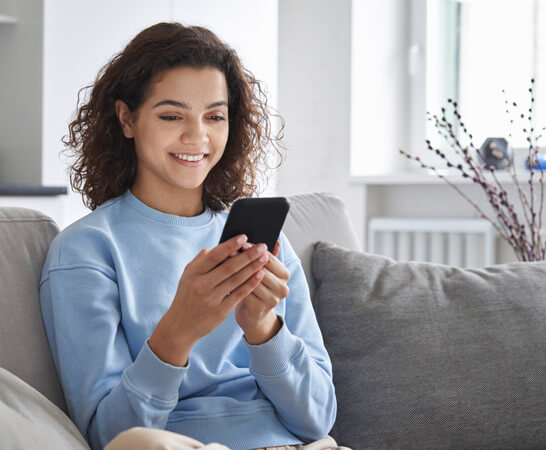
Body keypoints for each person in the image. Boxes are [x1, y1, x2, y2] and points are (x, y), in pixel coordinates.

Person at [39, 22, 339, 450]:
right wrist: (178, 330)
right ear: (127, 118)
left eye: (214, 116)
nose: (197, 136)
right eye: (171, 115)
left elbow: (318, 419)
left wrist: (262, 327)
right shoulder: (86, 251)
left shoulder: (267, 246)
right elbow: (111, 436)